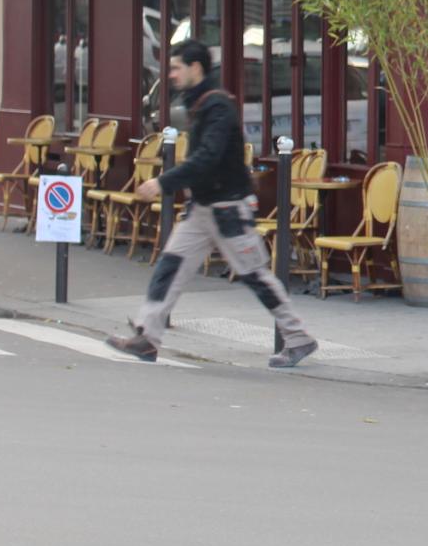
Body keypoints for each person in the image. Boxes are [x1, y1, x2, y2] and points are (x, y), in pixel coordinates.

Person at [106, 40, 317, 367]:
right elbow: (204, 159)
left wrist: (163, 182)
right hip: (205, 207)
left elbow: (207, 158)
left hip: (227, 208)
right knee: (169, 267)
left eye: (176, 68)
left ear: (196, 68)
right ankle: (147, 337)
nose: (172, 74)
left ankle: (298, 337)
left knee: (255, 275)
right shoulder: (203, 103)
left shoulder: (217, 107)